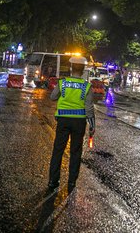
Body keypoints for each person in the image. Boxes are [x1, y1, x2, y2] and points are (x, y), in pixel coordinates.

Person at [48, 56, 95, 192]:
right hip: (79, 122)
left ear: (70, 68)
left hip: (63, 121)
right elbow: (89, 109)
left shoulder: (63, 83)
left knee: (58, 150)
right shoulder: (86, 87)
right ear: (83, 70)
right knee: (75, 151)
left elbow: (52, 97)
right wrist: (92, 126)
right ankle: (72, 182)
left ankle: (53, 181)